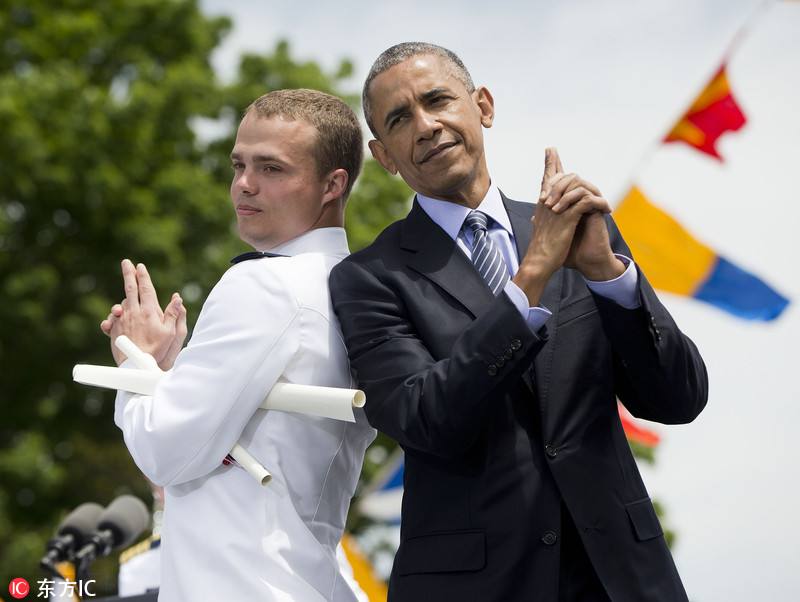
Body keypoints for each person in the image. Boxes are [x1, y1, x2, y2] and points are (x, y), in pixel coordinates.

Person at [329, 42, 708, 602]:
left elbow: (679, 398)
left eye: (438, 100)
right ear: (384, 156)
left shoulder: (580, 229)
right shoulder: (368, 277)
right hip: (475, 586)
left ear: (482, 105)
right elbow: (428, 419)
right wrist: (531, 276)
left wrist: (607, 276)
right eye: (400, 119)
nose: (427, 125)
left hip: (619, 578)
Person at [100, 89, 376, 601]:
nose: (243, 185)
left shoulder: (265, 285)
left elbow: (165, 451)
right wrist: (170, 371)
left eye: (272, 169)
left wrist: (136, 365)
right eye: (239, 164)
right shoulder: (354, 287)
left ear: (332, 184)